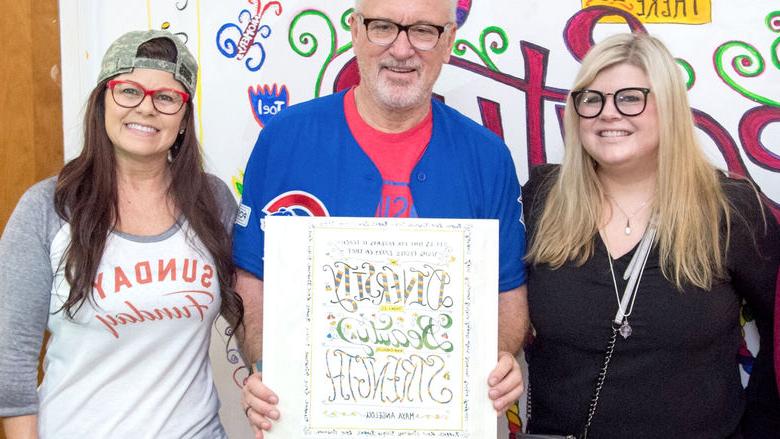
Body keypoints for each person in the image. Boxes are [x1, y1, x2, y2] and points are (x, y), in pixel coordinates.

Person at [232, 0, 528, 436]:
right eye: (383, 26)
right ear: (355, 31)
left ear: (448, 43)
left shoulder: (487, 157)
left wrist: (498, 359)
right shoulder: (284, 140)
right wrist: (267, 371)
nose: (402, 49)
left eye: (424, 31)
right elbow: (251, 278)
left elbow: (508, 293)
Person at [522, 32, 780, 438]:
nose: (607, 113)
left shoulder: (730, 210)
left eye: (630, 97)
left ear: (670, 108)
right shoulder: (541, 199)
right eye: (592, 99)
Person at [0, 30, 243, 438]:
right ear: (102, 103)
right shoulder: (49, 207)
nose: (146, 108)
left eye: (166, 98)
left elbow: (253, 311)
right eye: (128, 90)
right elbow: (10, 359)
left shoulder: (212, 201)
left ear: (184, 119)